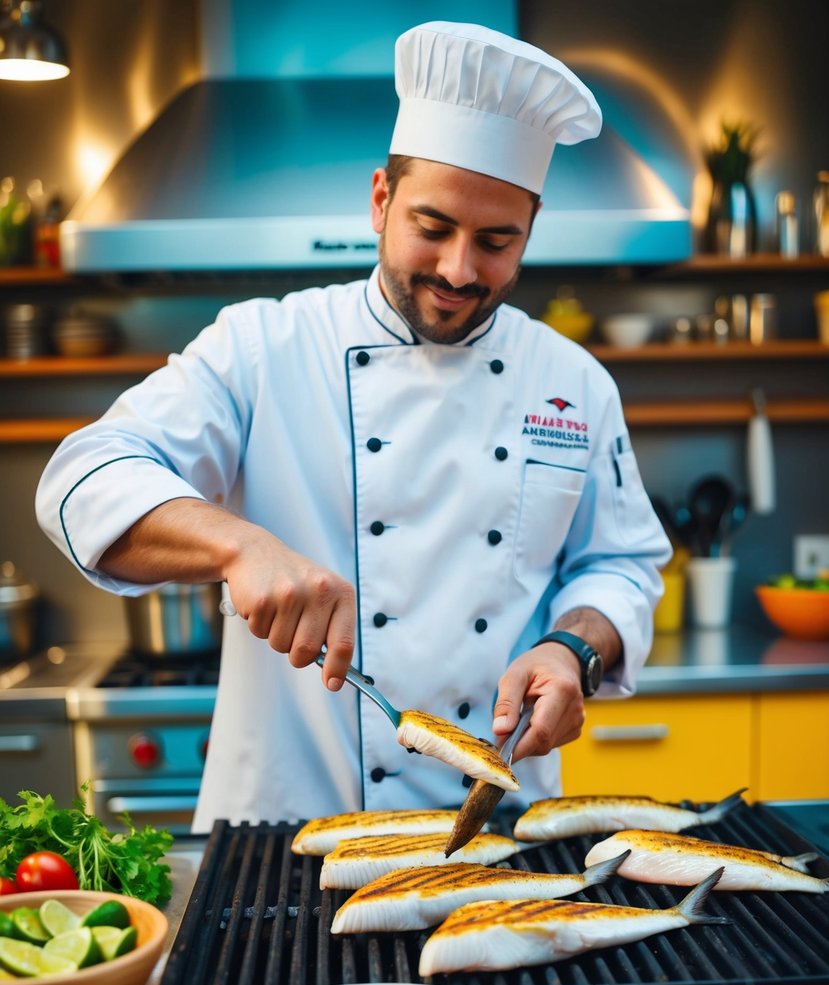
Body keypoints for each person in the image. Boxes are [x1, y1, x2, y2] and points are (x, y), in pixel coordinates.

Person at [36, 21, 671, 829]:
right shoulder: (262, 345)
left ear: (530, 232)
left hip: (500, 836)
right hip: (285, 829)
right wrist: (239, 545)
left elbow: (620, 565)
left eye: (496, 241)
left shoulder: (573, 382)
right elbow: (82, 477)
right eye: (432, 228)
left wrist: (572, 650)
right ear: (380, 200)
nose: (457, 270)